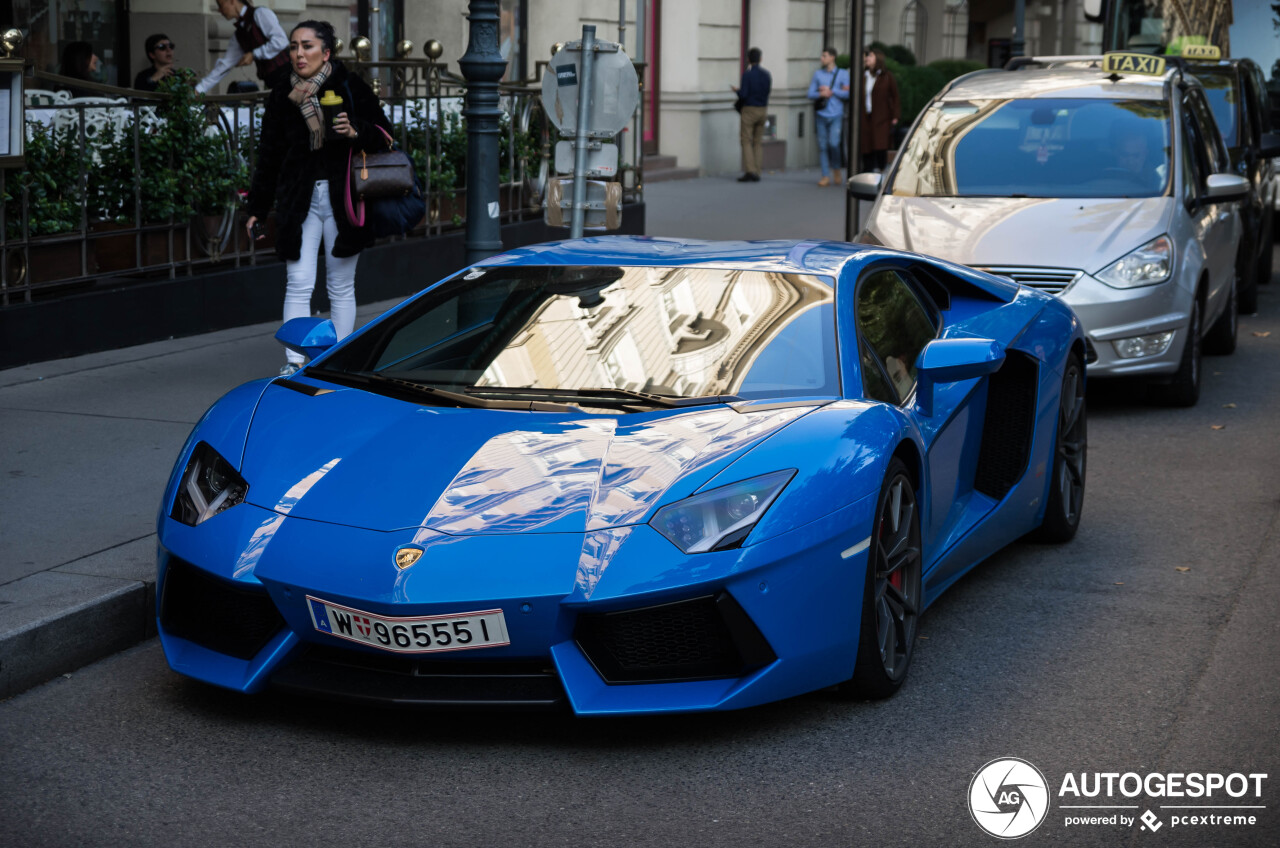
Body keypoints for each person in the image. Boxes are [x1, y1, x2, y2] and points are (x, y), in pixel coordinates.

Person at [245, 20, 392, 377]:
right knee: (298, 281)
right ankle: (295, 362)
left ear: (326, 52)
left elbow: (385, 135)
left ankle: (338, 360)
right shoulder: (282, 92)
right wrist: (258, 208)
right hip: (299, 199)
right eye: (294, 46)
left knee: (340, 284)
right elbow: (269, 154)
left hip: (344, 198)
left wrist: (356, 130)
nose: (298, 54)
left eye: (307, 46)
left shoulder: (350, 85)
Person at [196, 0, 290, 95]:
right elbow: (224, 65)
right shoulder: (239, 34)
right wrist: (199, 89)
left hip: (289, 77)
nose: (219, 10)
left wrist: (254, 54)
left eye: (221, 5)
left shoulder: (260, 13)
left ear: (232, 1)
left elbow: (281, 40)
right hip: (271, 82)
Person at [808, 47, 850, 187]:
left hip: (836, 114)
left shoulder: (843, 74)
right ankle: (825, 175)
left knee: (833, 143)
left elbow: (848, 93)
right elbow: (810, 93)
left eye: (824, 56)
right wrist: (821, 93)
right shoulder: (818, 74)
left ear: (832, 57)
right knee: (822, 145)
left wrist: (832, 91)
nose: (822, 59)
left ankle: (836, 169)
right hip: (821, 114)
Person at [732, 47, 771, 183]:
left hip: (749, 109)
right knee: (758, 142)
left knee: (746, 140)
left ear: (748, 59)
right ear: (760, 59)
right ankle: (758, 171)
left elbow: (744, 94)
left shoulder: (747, 75)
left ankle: (750, 171)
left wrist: (737, 91)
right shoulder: (766, 74)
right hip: (763, 109)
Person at [860, 47, 900, 173]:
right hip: (865, 116)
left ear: (878, 59)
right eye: (867, 56)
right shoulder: (863, 76)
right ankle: (867, 171)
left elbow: (895, 96)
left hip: (881, 117)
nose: (867, 58)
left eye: (870, 56)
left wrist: (895, 116)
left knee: (880, 145)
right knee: (866, 145)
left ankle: (882, 170)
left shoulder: (887, 77)